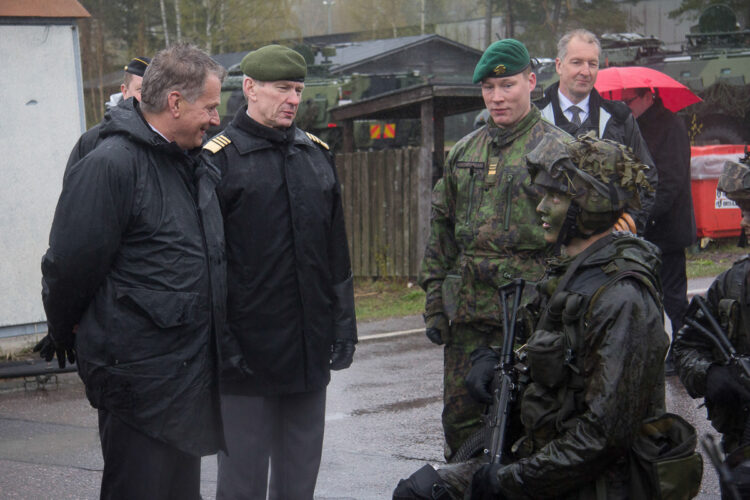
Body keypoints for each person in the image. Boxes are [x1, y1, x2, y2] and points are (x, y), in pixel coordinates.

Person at [397, 134, 669, 499]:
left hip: (597, 481)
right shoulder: (567, 274)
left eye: (555, 197)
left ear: (588, 207)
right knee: (420, 491)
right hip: (544, 459)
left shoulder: (622, 298)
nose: (540, 207)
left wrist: (511, 481)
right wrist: (490, 361)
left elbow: (603, 436)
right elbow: (540, 356)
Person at [38, 43, 227, 499]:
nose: (217, 119)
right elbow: (69, 265)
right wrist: (65, 331)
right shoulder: (112, 164)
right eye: (211, 107)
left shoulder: (189, 162)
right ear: (175, 103)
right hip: (137, 382)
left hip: (183, 376)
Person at [203, 44, 357, 500]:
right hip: (246, 356)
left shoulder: (315, 155)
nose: (293, 98)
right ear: (250, 88)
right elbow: (207, 264)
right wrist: (221, 342)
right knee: (242, 482)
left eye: (298, 89)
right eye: (282, 88)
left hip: (308, 351)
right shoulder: (218, 160)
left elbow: (337, 254)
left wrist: (343, 327)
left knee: (299, 477)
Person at [418, 38, 571, 460]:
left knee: (531, 424)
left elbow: (573, 241)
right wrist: (434, 301)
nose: (498, 97)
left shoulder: (558, 151)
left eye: (508, 86)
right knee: (461, 427)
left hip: (530, 319)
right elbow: (442, 230)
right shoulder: (464, 152)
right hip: (468, 319)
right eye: (488, 88)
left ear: (532, 82)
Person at [535, 29, 657, 235]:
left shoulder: (619, 118)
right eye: (577, 62)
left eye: (592, 64)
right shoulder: (535, 117)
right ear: (559, 65)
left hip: (603, 247)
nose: (586, 71)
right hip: (545, 245)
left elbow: (647, 176)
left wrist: (632, 221)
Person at [674, 156, 750, 458]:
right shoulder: (733, 283)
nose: (744, 221)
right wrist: (712, 375)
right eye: (744, 210)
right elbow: (686, 348)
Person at [622, 86, 696, 375]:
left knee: (674, 297)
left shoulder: (670, 125)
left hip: (667, 226)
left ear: (647, 96)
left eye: (630, 101)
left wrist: (644, 216)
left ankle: (684, 350)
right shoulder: (635, 126)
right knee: (648, 295)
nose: (626, 106)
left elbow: (671, 179)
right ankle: (662, 350)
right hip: (647, 225)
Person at [66, 56, 151, 171]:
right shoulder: (92, 141)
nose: (148, 97)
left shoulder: (172, 139)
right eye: (141, 90)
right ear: (124, 91)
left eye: (153, 91)